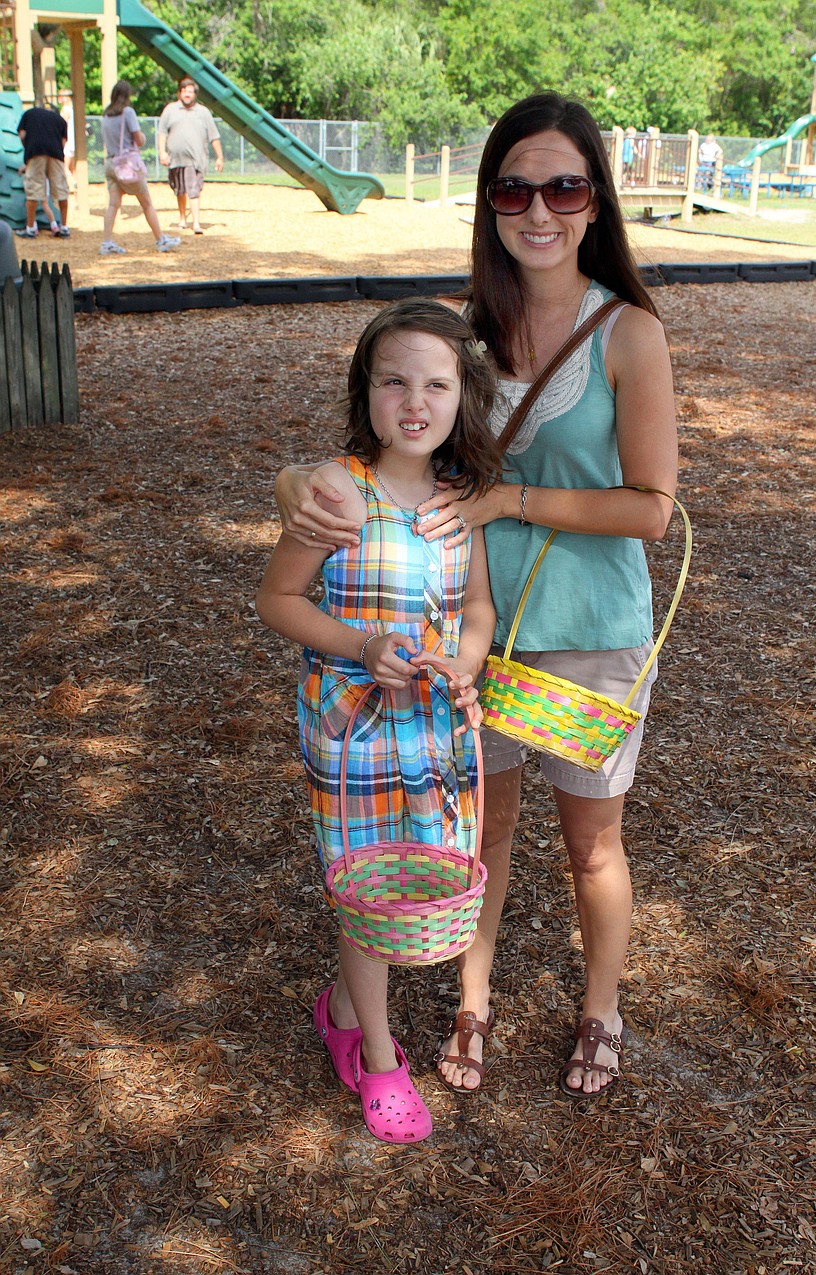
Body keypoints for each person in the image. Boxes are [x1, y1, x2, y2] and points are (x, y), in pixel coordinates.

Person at [274, 92, 679, 1101]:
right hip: (470, 643)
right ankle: (472, 999)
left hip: (592, 632)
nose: (537, 209)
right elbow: (387, 444)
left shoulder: (628, 334)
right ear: (489, 200)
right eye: (514, 186)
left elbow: (652, 510)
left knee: (591, 843)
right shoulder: (465, 332)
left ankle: (600, 1011)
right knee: (479, 833)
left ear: (595, 202)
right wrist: (290, 486)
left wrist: (512, 497)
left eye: (563, 185)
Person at [256, 299, 501, 1142]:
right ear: (365, 391)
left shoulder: (460, 499)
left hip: (434, 729)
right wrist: (361, 643)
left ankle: (341, 1008)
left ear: (461, 396)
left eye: (436, 383)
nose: (414, 401)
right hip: (354, 727)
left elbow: (477, 608)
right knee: (369, 890)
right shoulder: (336, 491)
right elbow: (278, 600)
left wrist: (468, 656)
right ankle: (380, 1057)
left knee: (412, 884)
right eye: (393, 380)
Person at [100, 81, 180, 255]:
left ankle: (106, 242)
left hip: (111, 163)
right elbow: (139, 139)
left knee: (113, 205)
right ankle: (160, 239)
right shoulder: (127, 113)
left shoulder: (106, 115)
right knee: (146, 203)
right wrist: (142, 136)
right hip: (127, 164)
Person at [158, 77, 224, 234]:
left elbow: (214, 136)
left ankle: (196, 223)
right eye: (184, 91)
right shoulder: (170, 110)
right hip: (176, 160)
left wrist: (220, 156)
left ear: (195, 94)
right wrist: (162, 153)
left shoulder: (203, 112)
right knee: (180, 190)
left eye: (190, 91)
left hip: (196, 160)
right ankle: (182, 218)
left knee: (194, 190)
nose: (187, 94)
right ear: (179, 92)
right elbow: (162, 133)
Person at [15, 104, 70, 239]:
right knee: (61, 190)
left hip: (35, 151)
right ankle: (64, 227)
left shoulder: (29, 114)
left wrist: (28, 150)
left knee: (33, 190)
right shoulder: (60, 120)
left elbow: (22, 135)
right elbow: (63, 142)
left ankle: (30, 229)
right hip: (56, 153)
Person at [58, 88, 75, 193]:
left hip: (68, 142)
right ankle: (76, 185)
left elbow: (61, 125)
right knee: (73, 168)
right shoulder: (72, 109)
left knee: (65, 167)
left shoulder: (65, 110)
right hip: (74, 141)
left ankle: (71, 186)